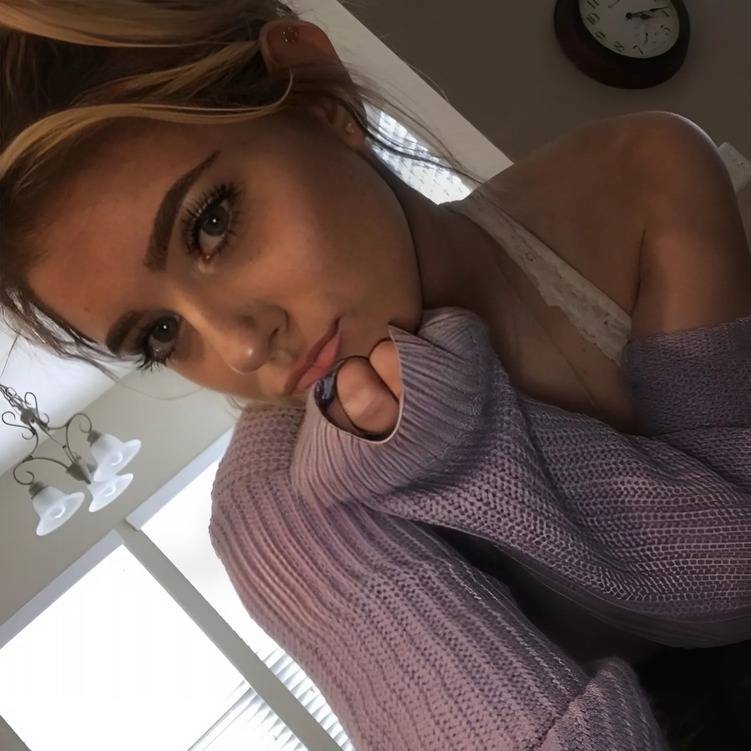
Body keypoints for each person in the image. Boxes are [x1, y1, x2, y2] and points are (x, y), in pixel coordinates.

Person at [1, 1, 750, 749]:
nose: (241, 349)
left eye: (212, 224)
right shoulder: (278, 506)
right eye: (160, 334)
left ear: (318, 97)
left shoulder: (643, 176)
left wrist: (464, 450)